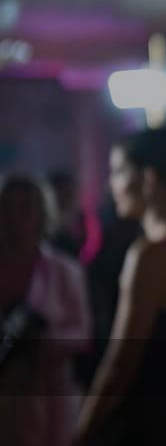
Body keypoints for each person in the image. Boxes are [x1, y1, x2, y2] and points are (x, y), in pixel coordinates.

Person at [75, 128, 166, 445]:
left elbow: (120, 363)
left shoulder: (150, 255)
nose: (111, 185)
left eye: (118, 172)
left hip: (151, 425)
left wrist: (81, 432)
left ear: (149, 178)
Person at [0, 175, 91, 446]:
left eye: (24, 207)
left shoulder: (65, 271)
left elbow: (82, 332)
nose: (15, 216)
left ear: (41, 214)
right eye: (8, 206)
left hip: (50, 398)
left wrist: (43, 343)